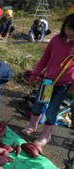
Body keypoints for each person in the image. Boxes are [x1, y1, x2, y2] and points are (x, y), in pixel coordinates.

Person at [21, 6, 74, 147]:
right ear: (65, 26)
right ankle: (32, 126)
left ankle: (46, 135)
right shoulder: (56, 39)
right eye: (69, 28)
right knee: (38, 105)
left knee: (52, 111)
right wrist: (35, 73)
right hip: (48, 81)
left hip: (63, 85)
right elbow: (45, 58)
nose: (71, 32)